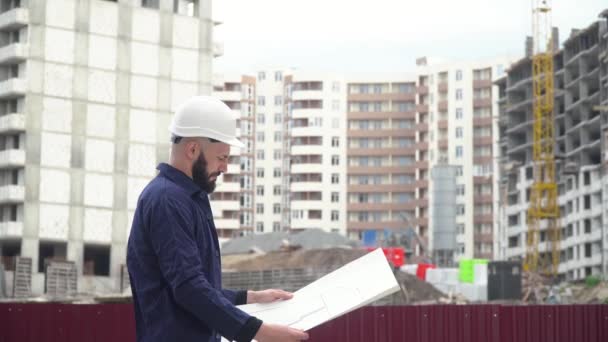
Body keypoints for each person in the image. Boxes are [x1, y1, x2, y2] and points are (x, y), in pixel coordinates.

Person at [127, 96, 309, 342]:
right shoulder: (168, 200)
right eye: (222, 157)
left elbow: (194, 288)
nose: (225, 168)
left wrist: (250, 298)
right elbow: (188, 287)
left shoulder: (187, 199)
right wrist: (259, 332)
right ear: (192, 149)